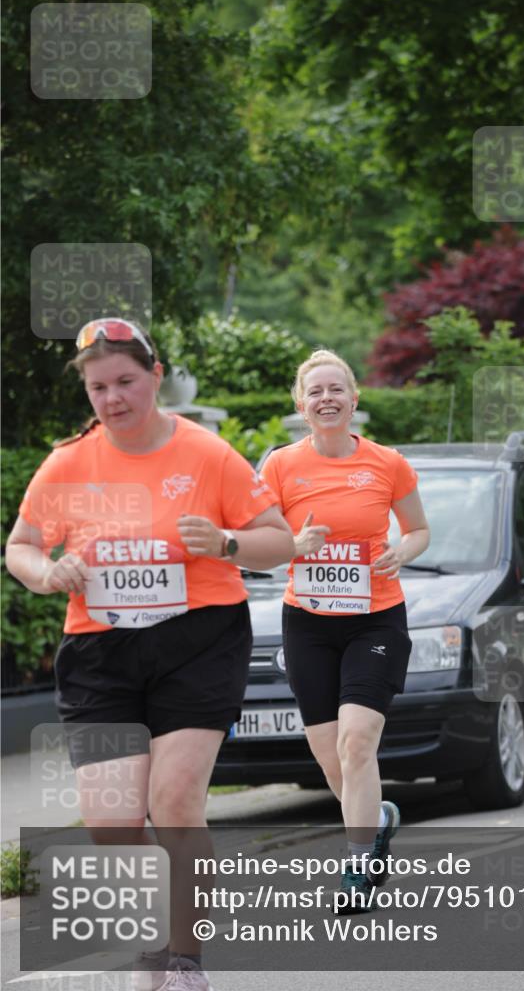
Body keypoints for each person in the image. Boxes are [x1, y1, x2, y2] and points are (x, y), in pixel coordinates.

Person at [6, 318, 294, 991]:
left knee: (173, 801)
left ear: (155, 376)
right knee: (111, 822)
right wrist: (48, 573)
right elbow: (19, 547)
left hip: (198, 641)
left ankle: (183, 960)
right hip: (101, 651)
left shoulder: (207, 454)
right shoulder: (69, 462)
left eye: (125, 382)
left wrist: (225, 542)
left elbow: (278, 542)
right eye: (98, 387)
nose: (112, 400)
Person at [261, 349, 430, 913]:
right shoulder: (280, 467)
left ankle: (358, 866)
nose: (326, 399)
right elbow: (258, 547)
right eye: (315, 392)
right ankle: (378, 819)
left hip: (375, 616)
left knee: (357, 740)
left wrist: (402, 550)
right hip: (306, 622)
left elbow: (419, 529)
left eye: (337, 389)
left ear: (354, 400)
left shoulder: (388, 463)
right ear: (301, 405)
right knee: (331, 756)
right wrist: (293, 546)